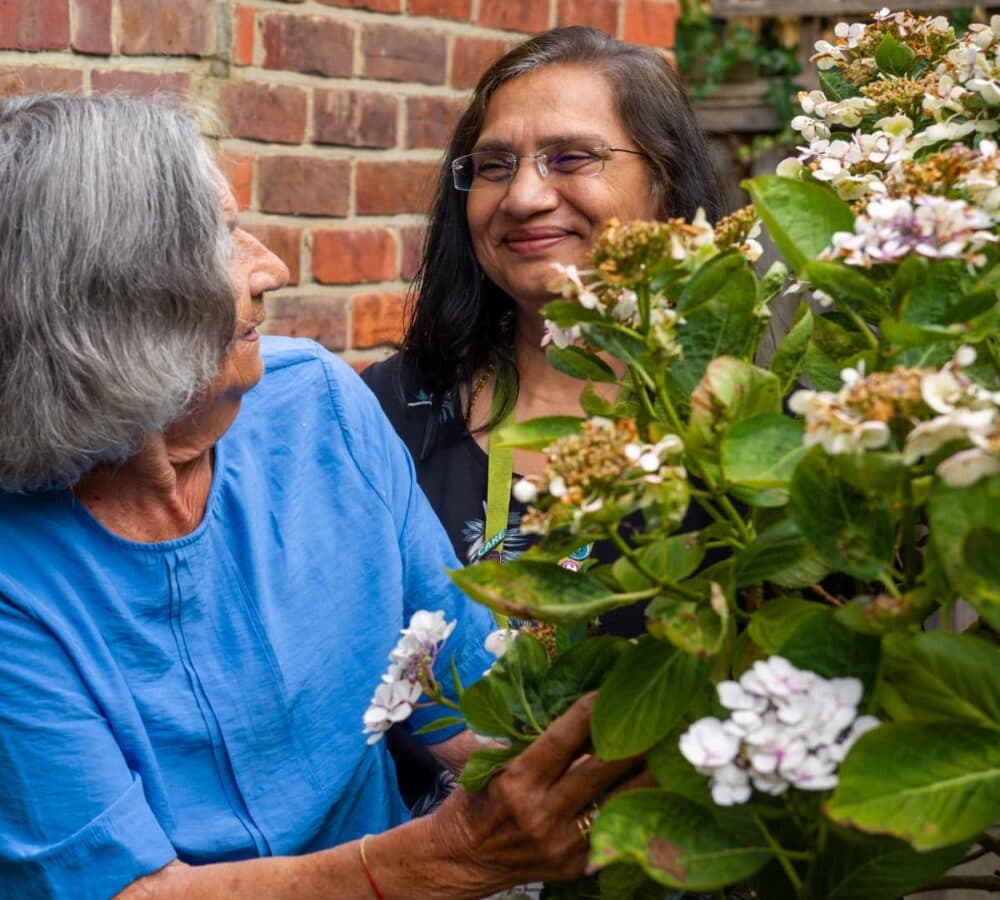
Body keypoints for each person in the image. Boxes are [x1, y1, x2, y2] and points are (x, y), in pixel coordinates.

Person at [0, 93, 645, 899]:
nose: (270, 266)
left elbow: (455, 687)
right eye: (221, 239)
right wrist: (452, 858)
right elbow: (122, 891)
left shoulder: (315, 405)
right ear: (115, 307)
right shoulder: (14, 572)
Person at [362, 26, 723, 587]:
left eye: (573, 157)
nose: (524, 197)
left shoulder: (751, 420)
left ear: (664, 181)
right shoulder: (389, 412)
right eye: (494, 165)